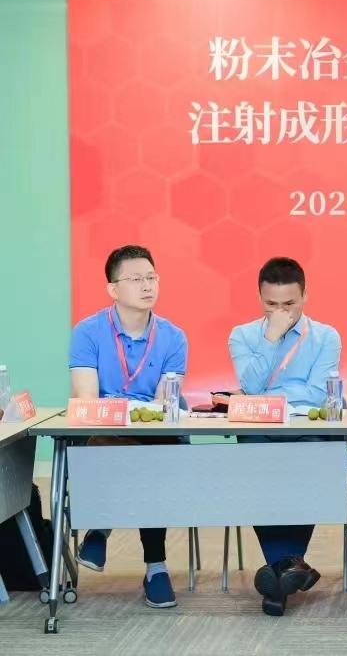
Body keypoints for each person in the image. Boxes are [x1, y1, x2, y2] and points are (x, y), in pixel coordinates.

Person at [69, 245, 188, 608]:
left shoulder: (174, 337)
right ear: (113, 289)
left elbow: (162, 406)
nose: (147, 285)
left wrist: (135, 412)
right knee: (119, 446)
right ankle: (156, 567)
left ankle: (102, 526)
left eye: (151, 277)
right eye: (136, 279)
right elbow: (88, 399)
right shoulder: (88, 332)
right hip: (105, 431)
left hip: (152, 435)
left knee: (153, 453)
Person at [228, 257, 342, 617]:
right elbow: (250, 386)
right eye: (271, 304)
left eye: (289, 304)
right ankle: (291, 568)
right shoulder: (243, 335)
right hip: (260, 430)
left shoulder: (325, 336)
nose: (281, 312)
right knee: (258, 472)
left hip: (308, 430)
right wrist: (271, 339)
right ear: (260, 298)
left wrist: (269, 396)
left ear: (305, 296)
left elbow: (318, 394)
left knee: (309, 466)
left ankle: (278, 573)